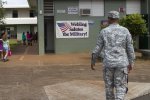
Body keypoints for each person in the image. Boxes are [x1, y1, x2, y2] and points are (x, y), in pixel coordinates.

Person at [91, 11, 135, 100]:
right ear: (118, 19)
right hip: (122, 64)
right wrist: (131, 62)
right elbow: (130, 48)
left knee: (109, 88)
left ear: (109, 19)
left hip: (108, 64)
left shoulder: (104, 31)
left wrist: (93, 61)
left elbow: (97, 48)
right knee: (120, 87)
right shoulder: (125, 30)